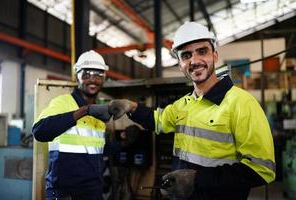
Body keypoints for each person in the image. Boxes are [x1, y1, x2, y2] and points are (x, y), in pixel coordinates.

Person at [107, 22, 276, 200]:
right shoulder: (184, 104)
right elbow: (158, 120)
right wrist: (130, 106)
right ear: (180, 64)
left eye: (202, 51)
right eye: (186, 55)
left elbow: (261, 170)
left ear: (215, 55)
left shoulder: (241, 103)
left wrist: (197, 179)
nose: (194, 61)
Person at [32, 50, 113, 200]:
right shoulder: (62, 102)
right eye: (86, 74)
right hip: (65, 193)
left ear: (104, 78)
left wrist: (123, 140)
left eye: (98, 74)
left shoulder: (100, 112)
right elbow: (39, 132)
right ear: (77, 76)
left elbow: (95, 151)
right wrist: (84, 111)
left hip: (92, 191)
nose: (93, 79)